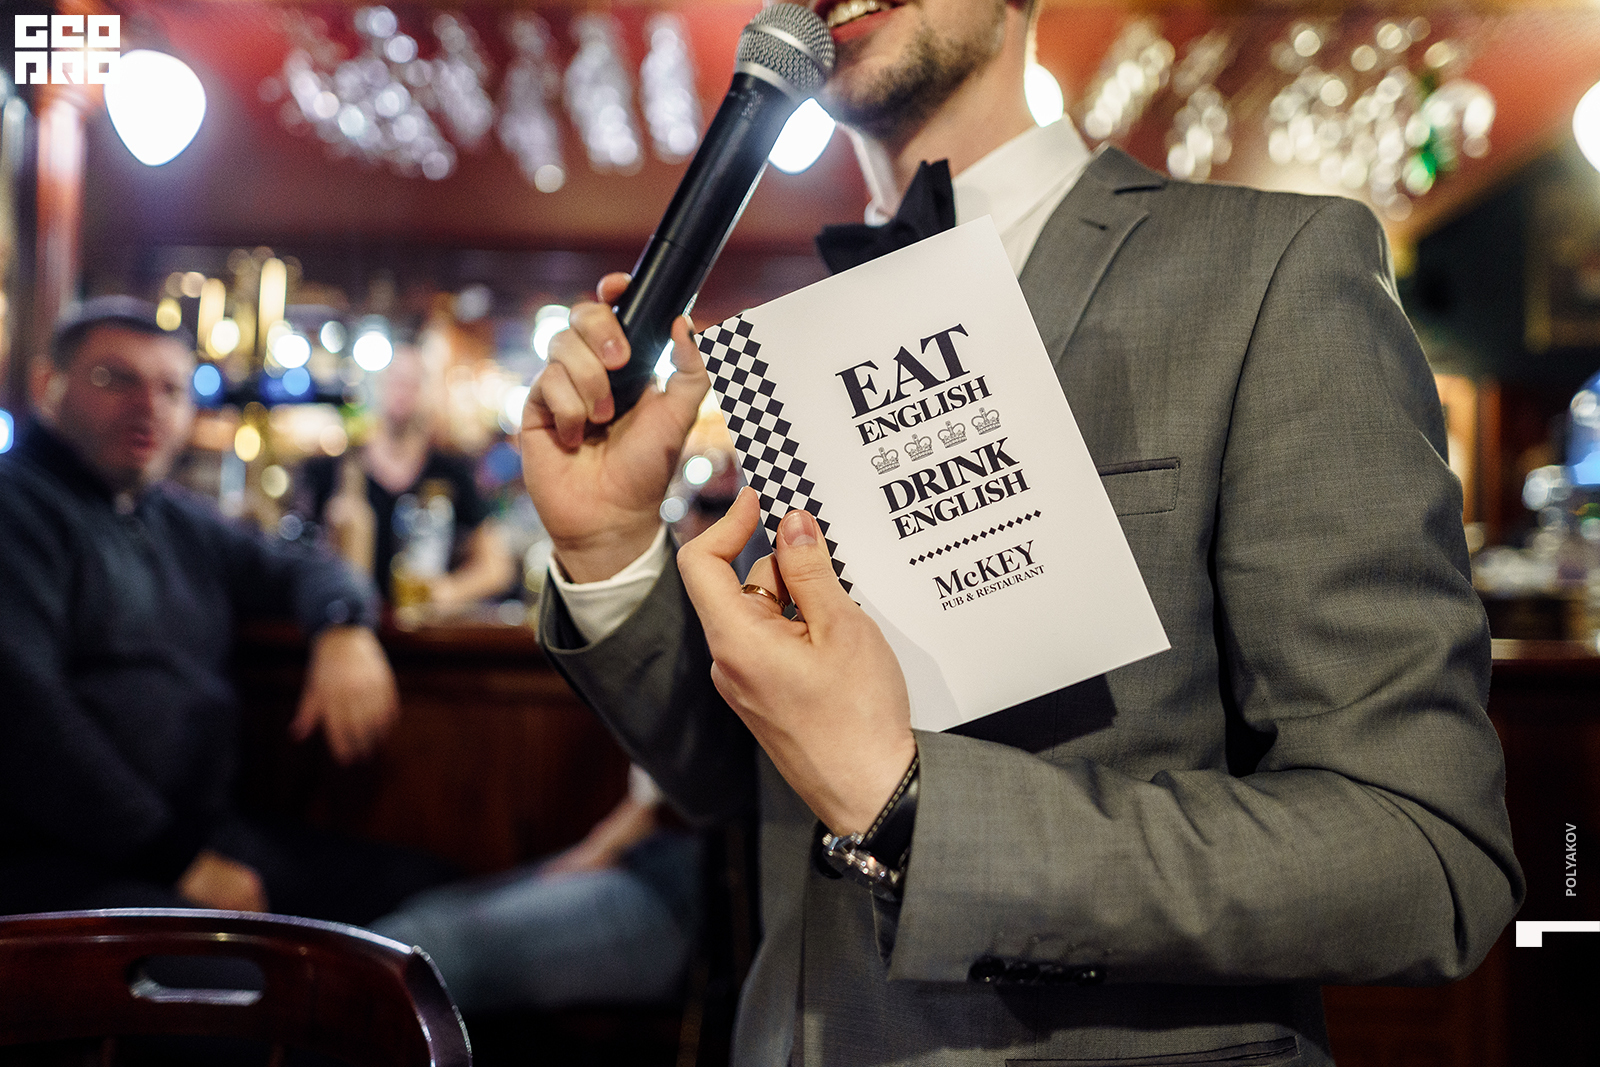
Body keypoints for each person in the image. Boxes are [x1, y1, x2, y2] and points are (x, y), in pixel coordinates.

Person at [518, 1, 1524, 1064]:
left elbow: (1423, 855)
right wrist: (609, 546)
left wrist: (913, 810)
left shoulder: (1271, 270)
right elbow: (753, 785)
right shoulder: (804, 348)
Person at [0, 296, 452, 923]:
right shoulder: (16, 504)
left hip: (197, 838)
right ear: (48, 385)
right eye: (115, 379)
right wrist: (178, 861)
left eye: (171, 389)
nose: (148, 405)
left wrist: (342, 627)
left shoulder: (170, 517)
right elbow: (25, 721)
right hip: (64, 866)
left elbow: (304, 567)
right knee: (263, 976)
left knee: (426, 897)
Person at [370, 765, 701, 1013]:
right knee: (424, 913)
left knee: (414, 951)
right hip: (659, 854)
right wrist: (613, 837)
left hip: (690, 895)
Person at [304, 342, 515, 612]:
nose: (402, 391)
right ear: (378, 386)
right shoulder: (335, 470)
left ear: (430, 393)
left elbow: (497, 568)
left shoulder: (452, 472)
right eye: (396, 380)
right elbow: (297, 555)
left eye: (413, 382)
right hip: (348, 621)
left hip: (423, 629)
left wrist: (449, 591)